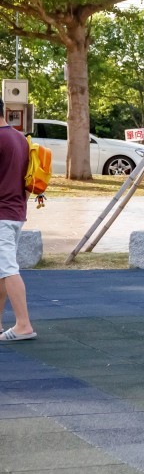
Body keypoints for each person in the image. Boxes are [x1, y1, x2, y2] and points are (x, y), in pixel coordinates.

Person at [0, 99, 35, 342]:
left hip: (1, 214)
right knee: (2, 270)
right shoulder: (19, 137)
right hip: (15, 211)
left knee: (8, 269)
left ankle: (23, 325)